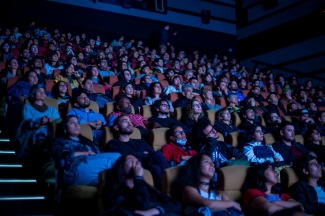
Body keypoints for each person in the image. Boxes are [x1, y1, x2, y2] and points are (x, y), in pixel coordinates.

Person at [51, 115, 121, 186]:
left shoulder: (88, 142)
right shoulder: (59, 141)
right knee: (117, 157)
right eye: (72, 122)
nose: (76, 125)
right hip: (73, 169)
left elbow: (100, 155)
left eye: (78, 123)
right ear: (65, 127)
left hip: (93, 172)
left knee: (116, 182)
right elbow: (58, 154)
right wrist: (86, 153)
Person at [102, 154, 181, 215]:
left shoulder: (150, 189)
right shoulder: (115, 193)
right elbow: (143, 206)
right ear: (121, 168)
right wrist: (138, 178)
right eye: (131, 160)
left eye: (138, 161)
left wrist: (154, 211)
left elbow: (176, 205)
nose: (137, 163)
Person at [107, 115, 170, 189]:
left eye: (130, 121)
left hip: (147, 164)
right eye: (125, 121)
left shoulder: (141, 142)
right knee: (157, 154)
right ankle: (172, 178)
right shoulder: (113, 144)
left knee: (155, 168)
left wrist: (136, 154)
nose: (130, 123)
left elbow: (152, 154)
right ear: (116, 127)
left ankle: (161, 195)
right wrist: (143, 153)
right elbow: (121, 159)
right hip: (133, 167)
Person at [173, 154, 243, 215]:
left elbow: (234, 209)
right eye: (206, 161)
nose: (212, 164)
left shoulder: (219, 193)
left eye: (212, 162)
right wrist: (232, 203)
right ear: (196, 166)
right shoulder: (189, 189)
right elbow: (208, 204)